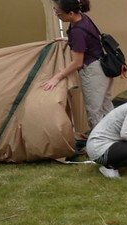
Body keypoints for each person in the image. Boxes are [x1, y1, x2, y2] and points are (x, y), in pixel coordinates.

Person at [41, 0, 114, 129]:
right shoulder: (82, 18)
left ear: (70, 13)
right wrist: (69, 40)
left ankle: (98, 144)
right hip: (103, 66)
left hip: (93, 72)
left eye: (59, 14)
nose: (57, 15)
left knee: (94, 112)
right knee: (106, 107)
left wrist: (57, 77)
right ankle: (116, 140)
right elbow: (90, 39)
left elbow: (77, 63)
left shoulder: (77, 31)